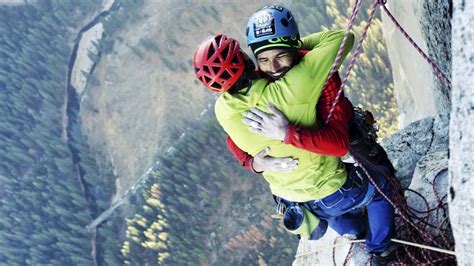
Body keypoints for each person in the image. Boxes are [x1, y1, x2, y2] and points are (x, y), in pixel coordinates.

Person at [193, 24, 395, 266]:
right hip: (330, 188)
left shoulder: (223, 111)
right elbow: (340, 39)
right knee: (383, 188)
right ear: (246, 58)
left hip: (292, 197)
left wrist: (253, 162)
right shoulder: (293, 87)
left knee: (332, 209)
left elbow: (231, 140)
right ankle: (380, 251)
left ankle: (359, 233)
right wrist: (289, 46)